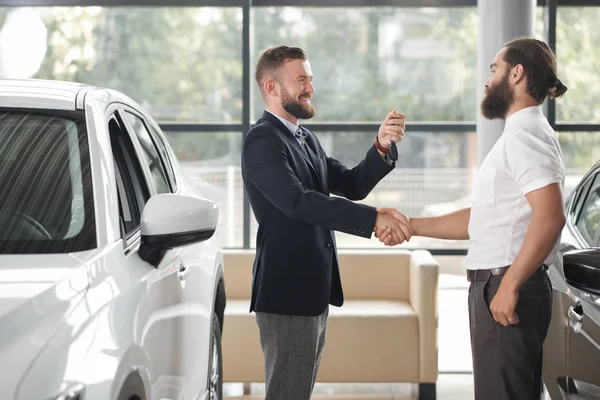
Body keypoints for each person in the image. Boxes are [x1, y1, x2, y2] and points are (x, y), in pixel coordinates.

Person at [377, 37, 568, 400]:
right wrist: (411, 225)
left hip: (507, 285)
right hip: (500, 285)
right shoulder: (520, 134)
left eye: (494, 69)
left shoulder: (525, 137)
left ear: (517, 73)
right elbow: (483, 217)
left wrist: (509, 286)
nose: (487, 79)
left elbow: (550, 217)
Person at [241, 45, 411, 400]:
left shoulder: (304, 138)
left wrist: (380, 147)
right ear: (272, 88)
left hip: (312, 290)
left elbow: (351, 184)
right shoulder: (262, 140)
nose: (310, 88)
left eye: (311, 79)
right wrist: (373, 219)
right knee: (288, 392)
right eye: (301, 79)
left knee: (297, 390)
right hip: (287, 292)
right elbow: (297, 202)